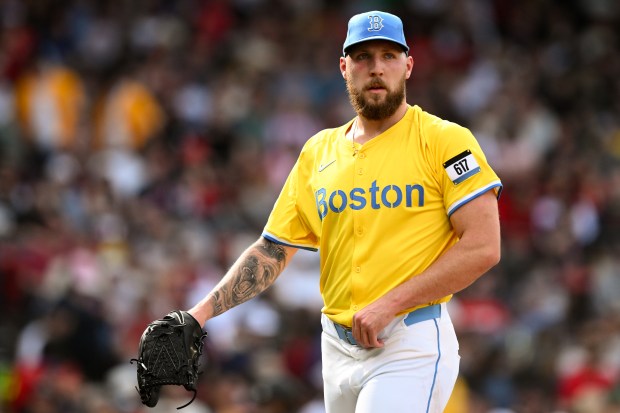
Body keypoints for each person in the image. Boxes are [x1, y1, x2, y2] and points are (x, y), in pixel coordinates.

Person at [188, 10, 502, 413]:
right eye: (363, 57)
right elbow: (272, 249)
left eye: (389, 56)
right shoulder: (318, 151)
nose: (376, 68)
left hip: (409, 339)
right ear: (343, 67)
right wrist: (198, 315)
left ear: (408, 65)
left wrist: (390, 303)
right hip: (335, 348)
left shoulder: (444, 140)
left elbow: (483, 247)